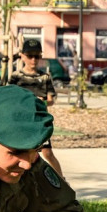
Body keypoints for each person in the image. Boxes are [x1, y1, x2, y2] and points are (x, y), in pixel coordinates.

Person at [8, 38, 64, 177]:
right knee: (21, 153)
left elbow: (51, 100)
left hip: (39, 121)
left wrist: (41, 102)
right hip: (21, 122)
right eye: (30, 56)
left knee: (47, 153)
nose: (33, 59)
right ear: (22, 56)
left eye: (37, 56)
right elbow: (9, 98)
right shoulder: (16, 77)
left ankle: (62, 182)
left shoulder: (44, 77)